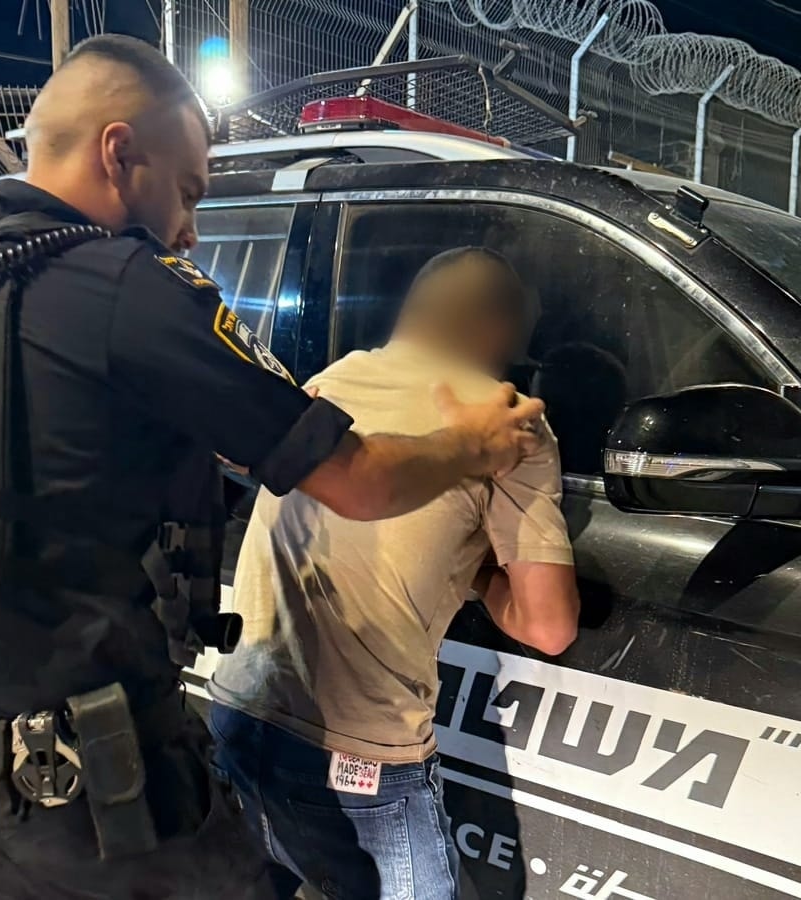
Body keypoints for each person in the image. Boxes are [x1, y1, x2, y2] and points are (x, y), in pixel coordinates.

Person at [0, 36, 545, 900]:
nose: (191, 229)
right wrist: (477, 446)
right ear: (120, 152)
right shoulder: (125, 288)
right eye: (188, 191)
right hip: (106, 791)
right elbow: (356, 479)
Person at [209, 247, 582, 900]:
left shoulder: (329, 381)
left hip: (237, 713)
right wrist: (476, 571)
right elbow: (548, 626)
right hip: (358, 762)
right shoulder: (509, 422)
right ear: (497, 328)